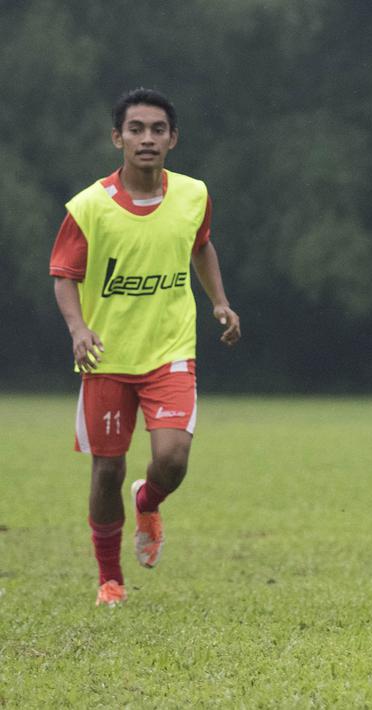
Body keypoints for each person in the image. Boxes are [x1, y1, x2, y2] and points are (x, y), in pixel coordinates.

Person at [49, 88, 241, 606]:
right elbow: (64, 275)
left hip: (170, 350)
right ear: (118, 138)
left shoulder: (193, 195)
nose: (147, 138)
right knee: (107, 469)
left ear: (172, 139)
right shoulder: (90, 207)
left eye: (158, 129)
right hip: (106, 358)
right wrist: (78, 329)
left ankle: (149, 500)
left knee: (174, 458)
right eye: (136, 129)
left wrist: (220, 302)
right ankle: (109, 579)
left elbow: (199, 245)